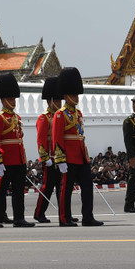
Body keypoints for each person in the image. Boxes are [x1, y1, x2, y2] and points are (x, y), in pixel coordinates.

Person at [53, 67, 103, 226]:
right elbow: (57, 138)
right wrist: (60, 159)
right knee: (65, 190)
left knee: (87, 188)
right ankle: (64, 218)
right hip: (68, 157)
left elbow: (80, 136)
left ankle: (87, 216)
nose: (76, 97)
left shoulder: (78, 114)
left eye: (76, 94)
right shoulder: (60, 114)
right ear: (66, 95)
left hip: (81, 156)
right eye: (73, 94)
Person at [0, 74, 33, 228]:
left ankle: (19, 217)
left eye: (14, 99)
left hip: (19, 159)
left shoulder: (16, 117)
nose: (13, 101)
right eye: (11, 98)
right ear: (3, 99)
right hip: (5, 160)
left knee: (19, 191)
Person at [33, 76, 61, 223]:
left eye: (59, 100)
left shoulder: (60, 117)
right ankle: (39, 213)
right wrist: (45, 158)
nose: (59, 103)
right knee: (47, 188)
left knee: (62, 188)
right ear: (49, 101)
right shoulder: (44, 118)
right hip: (49, 159)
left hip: (60, 158)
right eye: (56, 101)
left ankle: (64, 213)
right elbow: (41, 141)